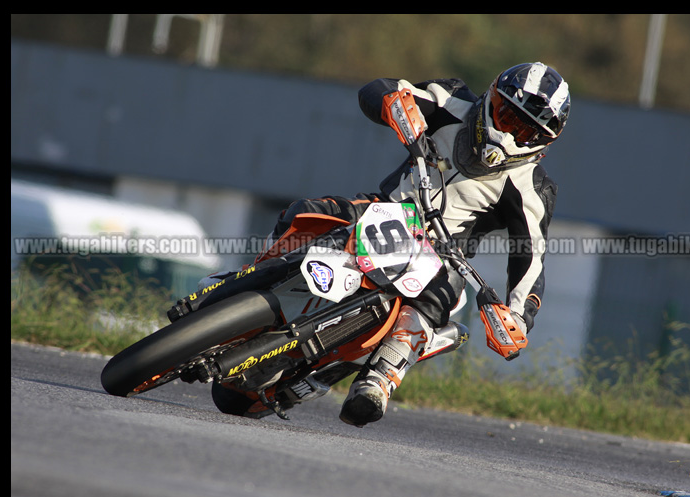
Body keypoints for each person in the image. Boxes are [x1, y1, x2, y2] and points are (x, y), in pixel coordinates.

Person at [213, 62, 569, 427]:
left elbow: (531, 256)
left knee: (441, 296)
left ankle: (379, 380)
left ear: (542, 142)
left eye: (525, 131)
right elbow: (378, 88)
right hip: (382, 211)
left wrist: (518, 318)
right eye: (508, 117)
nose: (510, 134)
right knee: (306, 213)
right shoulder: (451, 101)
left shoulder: (533, 189)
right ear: (493, 97)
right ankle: (249, 277)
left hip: (441, 256)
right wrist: (392, 102)